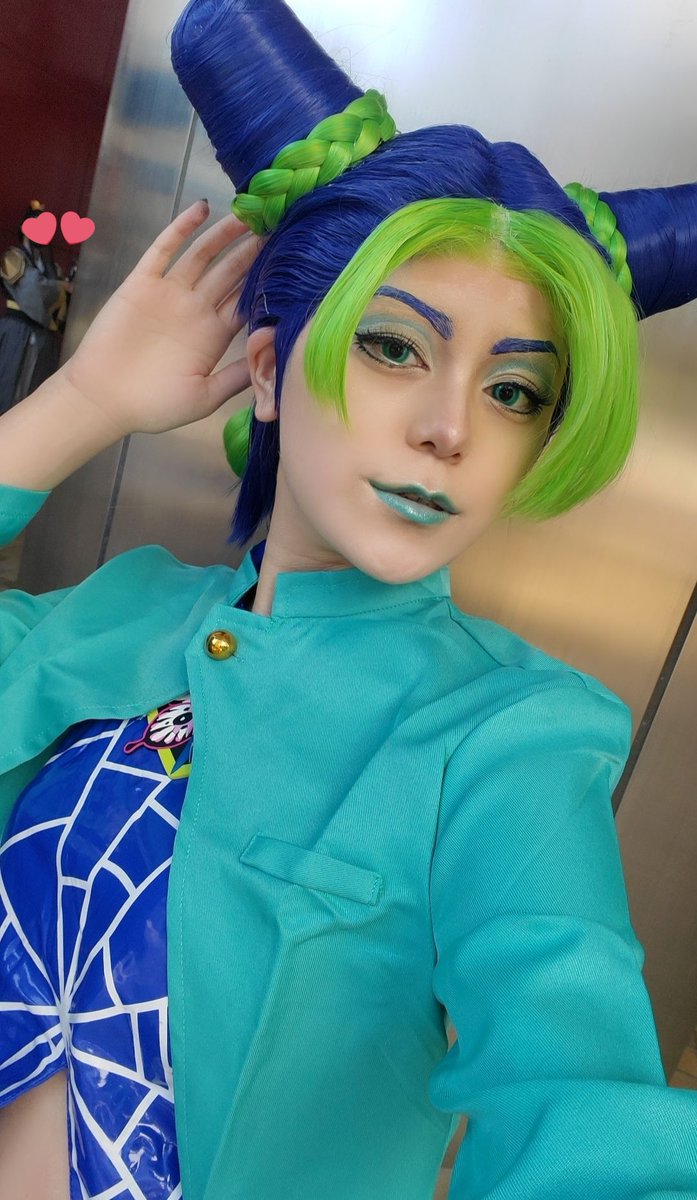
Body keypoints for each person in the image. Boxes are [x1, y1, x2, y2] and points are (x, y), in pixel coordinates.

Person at [0, 1, 696, 1198]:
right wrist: (85, 402)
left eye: (514, 392)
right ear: (270, 371)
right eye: (394, 347)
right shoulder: (122, 611)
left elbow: (579, 1097)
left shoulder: (512, 741)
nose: (448, 429)